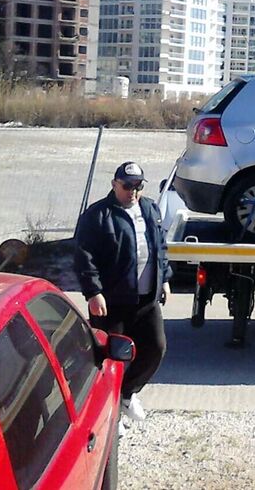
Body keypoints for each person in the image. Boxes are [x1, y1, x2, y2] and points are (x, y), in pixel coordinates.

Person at [75, 161, 171, 432]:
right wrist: (93, 292)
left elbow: (159, 247)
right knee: (109, 361)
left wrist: (164, 279)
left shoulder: (150, 209)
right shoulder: (97, 215)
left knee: (155, 348)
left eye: (138, 186)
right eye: (127, 186)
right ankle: (108, 416)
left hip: (146, 299)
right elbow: (84, 257)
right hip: (112, 302)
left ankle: (126, 395)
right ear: (114, 184)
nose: (133, 192)